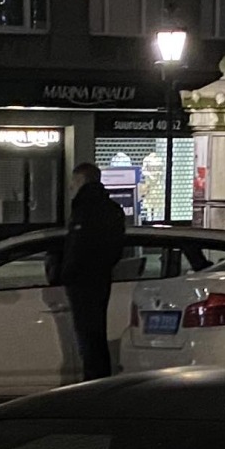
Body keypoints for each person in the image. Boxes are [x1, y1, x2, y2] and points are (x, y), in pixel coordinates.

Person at [62, 160, 125, 382]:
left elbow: (77, 248)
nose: (70, 187)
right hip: (101, 280)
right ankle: (99, 382)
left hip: (84, 283)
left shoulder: (85, 209)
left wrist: (66, 275)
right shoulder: (112, 209)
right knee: (96, 336)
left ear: (80, 180)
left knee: (89, 339)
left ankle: (93, 385)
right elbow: (116, 248)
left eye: (72, 182)